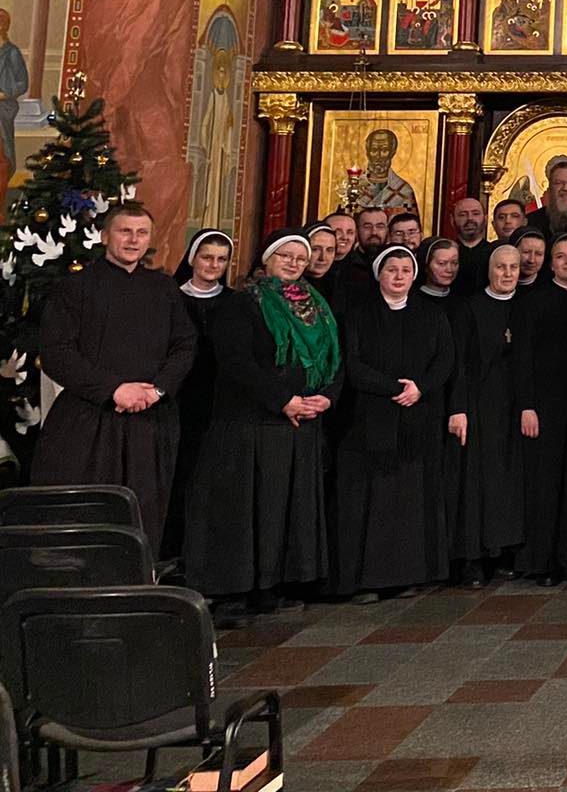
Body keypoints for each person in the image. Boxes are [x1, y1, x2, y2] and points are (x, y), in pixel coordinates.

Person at [181, 230, 340, 619]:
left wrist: (327, 396)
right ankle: (233, 588)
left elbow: (335, 356)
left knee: (280, 511)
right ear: (266, 259)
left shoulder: (317, 306)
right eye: (285, 256)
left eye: (300, 258)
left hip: (299, 426)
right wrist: (282, 399)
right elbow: (237, 363)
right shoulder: (242, 304)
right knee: (245, 511)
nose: (293, 263)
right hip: (249, 424)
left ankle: (272, 584)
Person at [31, 202, 196, 549]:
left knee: (143, 515)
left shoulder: (164, 289)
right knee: (82, 515)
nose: (134, 240)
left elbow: (184, 346)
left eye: (142, 233)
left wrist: (157, 391)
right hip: (89, 419)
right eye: (125, 231)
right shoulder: (74, 288)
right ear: (105, 235)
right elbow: (57, 354)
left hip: (150, 422)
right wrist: (114, 390)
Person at [333, 245, 455, 603]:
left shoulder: (431, 314)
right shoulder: (357, 314)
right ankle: (366, 580)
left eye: (406, 269)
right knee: (371, 501)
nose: (399, 276)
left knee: (410, 499)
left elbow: (445, 358)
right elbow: (351, 363)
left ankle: (408, 574)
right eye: (391, 269)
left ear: (415, 275)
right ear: (379, 275)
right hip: (371, 418)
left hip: (418, 416)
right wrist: (392, 388)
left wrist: (421, 387)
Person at [445, 243, 525, 585]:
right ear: (489, 271)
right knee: (477, 482)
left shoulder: (526, 306)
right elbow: (459, 362)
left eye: (513, 268)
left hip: (514, 406)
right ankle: (473, 558)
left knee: (508, 481)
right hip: (479, 406)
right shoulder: (469, 308)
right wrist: (459, 408)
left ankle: (504, 552)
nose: (507, 274)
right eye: (500, 267)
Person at [513, 232, 567, 585]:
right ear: (551, 262)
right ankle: (541, 562)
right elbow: (523, 356)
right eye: (562, 256)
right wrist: (527, 405)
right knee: (545, 484)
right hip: (545, 405)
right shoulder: (534, 301)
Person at [163, 230, 233, 562]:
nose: (213, 265)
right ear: (192, 258)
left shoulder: (236, 302)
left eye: (221, 259)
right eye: (207, 257)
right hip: (177, 400)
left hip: (221, 403)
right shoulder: (169, 298)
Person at [449, 198, 490, 295]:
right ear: (452, 220)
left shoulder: (494, 253)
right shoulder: (444, 253)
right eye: (463, 214)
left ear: (486, 219)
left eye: (476, 214)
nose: (470, 218)